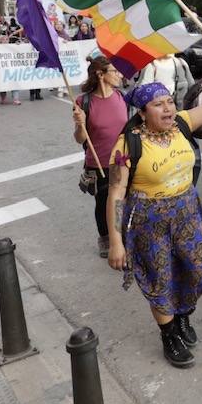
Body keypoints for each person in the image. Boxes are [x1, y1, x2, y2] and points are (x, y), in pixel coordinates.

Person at [105, 71, 202, 369]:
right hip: (148, 221)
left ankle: (183, 313)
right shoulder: (127, 146)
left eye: (169, 101)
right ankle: (169, 334)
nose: (168, 108)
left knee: (200, 270)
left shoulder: (182, 124)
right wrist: (116, 241)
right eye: (158, 105)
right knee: (160, 278)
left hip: (187, 212)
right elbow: (115, 193)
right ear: (141, 113)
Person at [72, 56, 129, 258]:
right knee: (104, 202)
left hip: (123, 161)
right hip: (98, 162)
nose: (119, 75)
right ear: (100, 74)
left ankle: (121, 237)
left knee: (121, 201)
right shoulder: (83, 102)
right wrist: (80, 124)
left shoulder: (122, 97)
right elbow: (80, 139)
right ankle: (105, 238)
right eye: (115, 71)